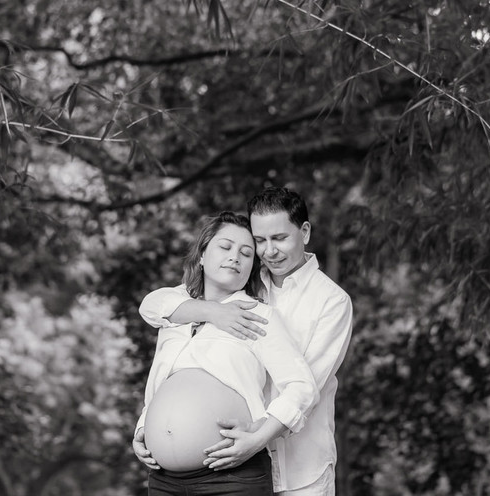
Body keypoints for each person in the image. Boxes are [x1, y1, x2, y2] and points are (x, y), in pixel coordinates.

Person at [138, 188, 354, 496]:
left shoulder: (331, 302)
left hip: (298, 470)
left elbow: (306, 387)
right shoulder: (238, 284)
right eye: (259, 241)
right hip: (204, 466)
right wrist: (213, 311)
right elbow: (157, 308)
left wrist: (256, 438)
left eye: (279, 238)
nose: (269, 251)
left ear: (304, 232)